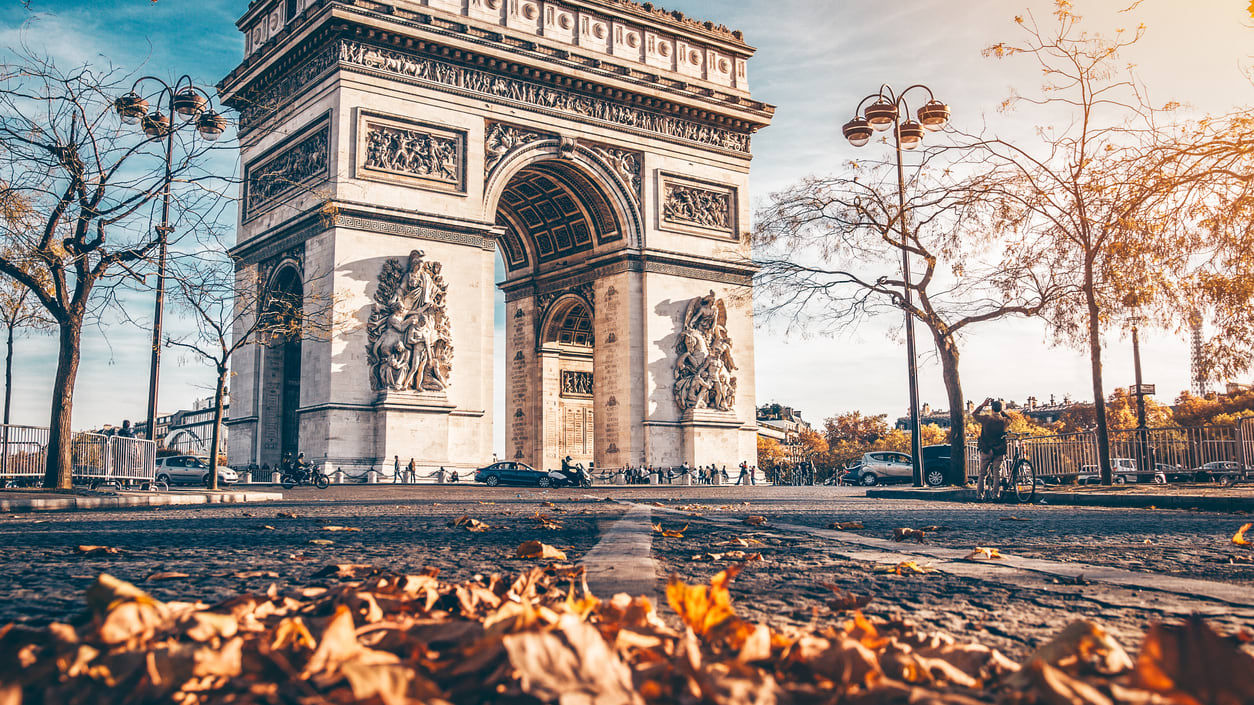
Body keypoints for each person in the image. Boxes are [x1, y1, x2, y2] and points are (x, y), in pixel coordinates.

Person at [973, 397, 1010, 501]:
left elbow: (974, 414)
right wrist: (1001, 411)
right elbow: (1011, 419)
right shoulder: (1004, 421)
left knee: (982, 474)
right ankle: (995, 495)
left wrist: (983, 405)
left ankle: (979, 495)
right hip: (999, 450)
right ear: (1000, 409)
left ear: (991, 409)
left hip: (986, 449)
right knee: (997, 474)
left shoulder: (986, 419)